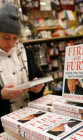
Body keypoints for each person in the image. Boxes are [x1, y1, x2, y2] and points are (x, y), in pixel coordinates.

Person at [0, 2, 46, 133]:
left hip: (30, 121)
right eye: (6, 37)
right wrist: (1, 95)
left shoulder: (23, 51)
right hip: (3, 127)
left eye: (15, 38)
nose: (11, 43)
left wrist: (38, 85)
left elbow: (38, 76)